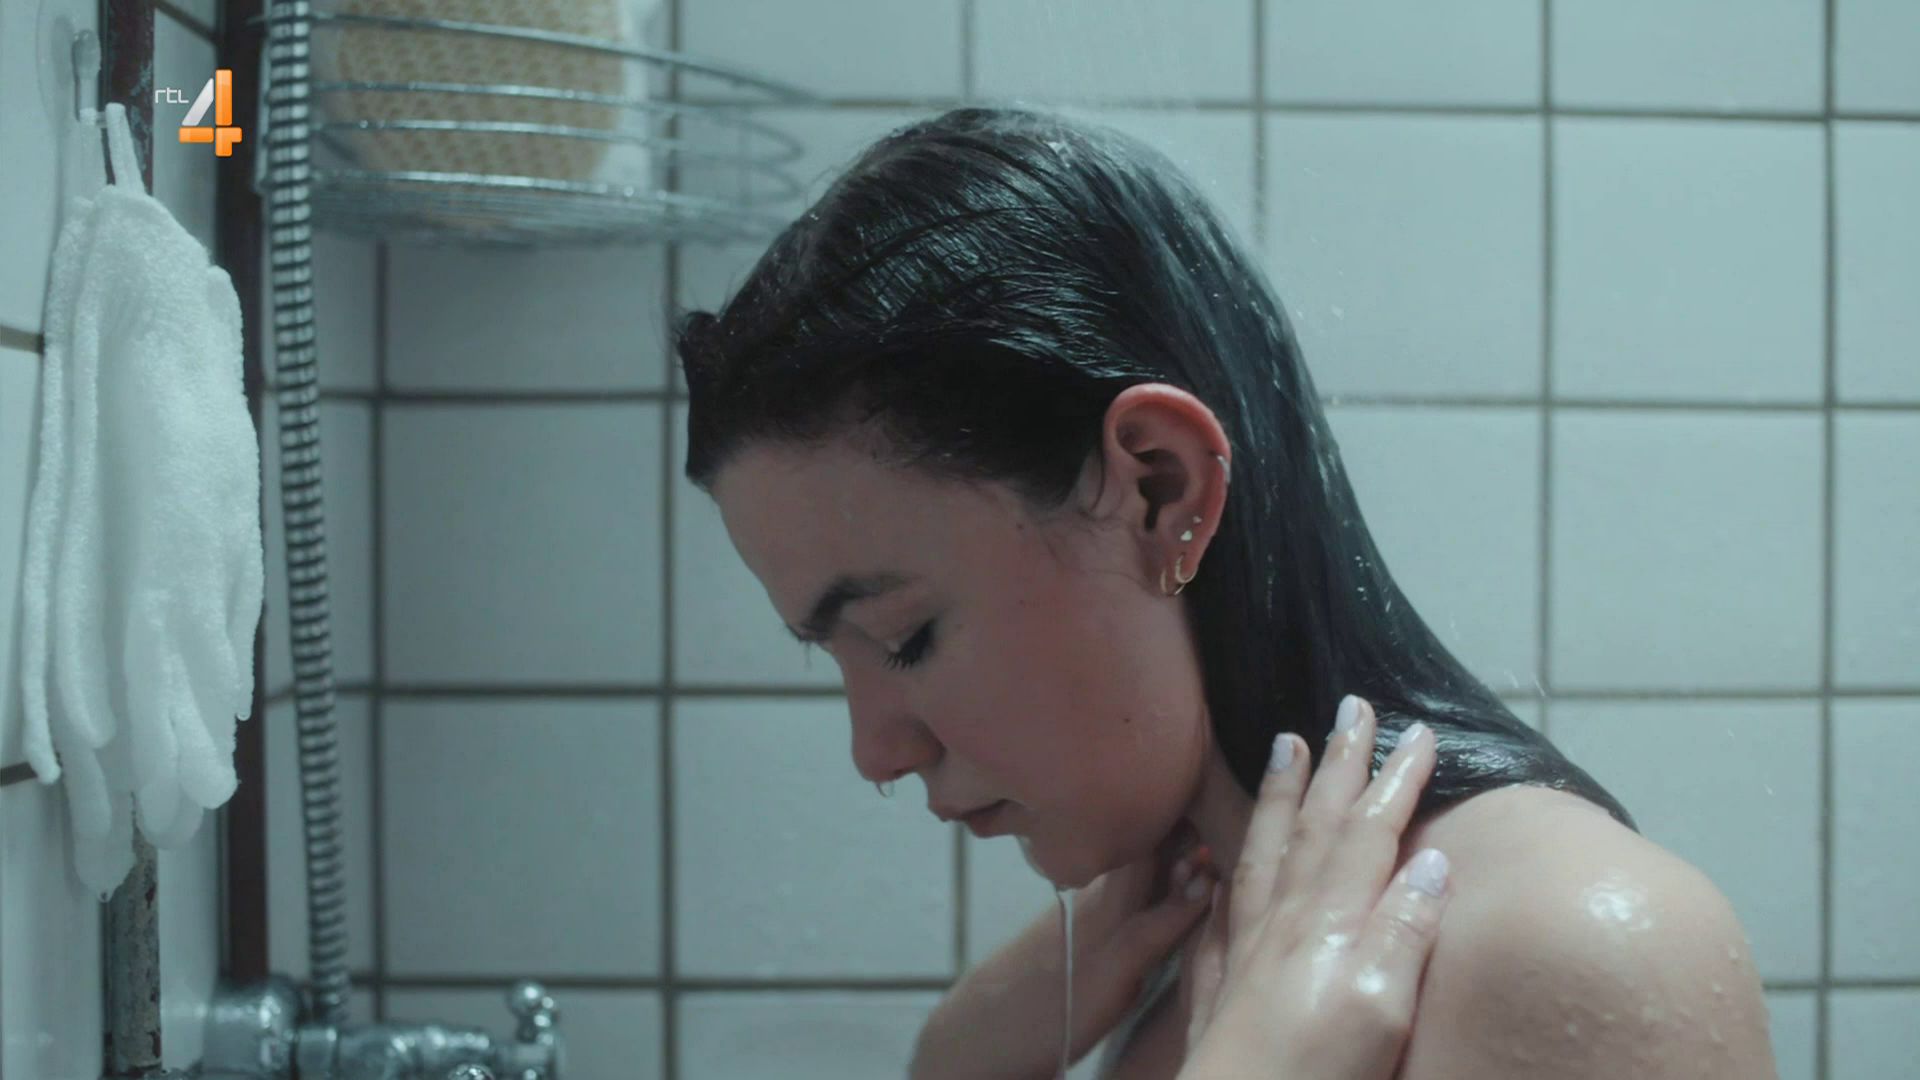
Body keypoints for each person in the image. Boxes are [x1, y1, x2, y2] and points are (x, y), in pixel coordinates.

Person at [674, 105, 1777, 1078]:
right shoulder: (1194, 951)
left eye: (904, 635)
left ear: (1162, 487)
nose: (875, 753)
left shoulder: (1571, 945)